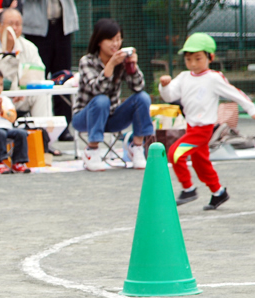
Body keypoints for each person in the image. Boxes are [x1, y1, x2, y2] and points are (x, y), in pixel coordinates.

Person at [159, 33, 255, 210]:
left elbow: (235, 93)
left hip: (202, 130)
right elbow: (170, 96)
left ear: (210, 57)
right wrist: (164, 85)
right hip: (190, 128)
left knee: (174, 153)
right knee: (200, 163)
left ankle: (188, 189)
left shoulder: (214, 78)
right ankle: (218, 192)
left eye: (198, 58)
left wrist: (251, 109)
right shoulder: (183, 77)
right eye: (189, 59)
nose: (193, 64)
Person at [71, 18, 153, 172]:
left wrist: (132, 67)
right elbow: (97, 90)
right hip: (85, 118)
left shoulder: (122, 60)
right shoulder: (87, 61)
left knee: (142, 98)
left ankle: (137, 148)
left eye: (118, 39)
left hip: (112, 117)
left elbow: (138, 87)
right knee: (102, 100)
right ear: (99, 41)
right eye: (110, 39)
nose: (115, 44)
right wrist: (110, 65)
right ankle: (92, 151)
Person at [0, 8, 52, 118]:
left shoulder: (29, 48)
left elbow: (38, 76)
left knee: (42, 95)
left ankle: (42, 132)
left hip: (21, 97)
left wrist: (22, 92)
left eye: (18, 24)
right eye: (10, 24)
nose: (14, 28)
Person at [22, 0, 79, 141]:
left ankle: (64, 127)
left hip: (63, 27)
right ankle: (38, 126)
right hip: (36, 29)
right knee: (37, 77)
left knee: (63, 78)